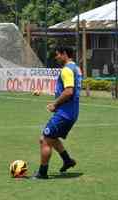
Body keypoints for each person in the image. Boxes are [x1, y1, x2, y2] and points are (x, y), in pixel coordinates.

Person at [32, 46, 82, 179]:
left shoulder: (66, 70)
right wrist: (44, 93)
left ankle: (42, 173)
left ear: (64, 54)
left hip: (64, 114)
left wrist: (55, 104)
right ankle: (67, 160)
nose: (56, 57)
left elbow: (69, 92)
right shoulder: (76, 68)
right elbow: (67, 91)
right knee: (52, 138)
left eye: (58, 54)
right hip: (71, 112)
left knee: (45, 140)